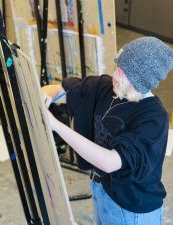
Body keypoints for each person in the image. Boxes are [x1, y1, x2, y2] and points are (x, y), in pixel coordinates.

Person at [42, 37, 173, 225]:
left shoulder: (153, 119)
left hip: (133, 208)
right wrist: (44, 96)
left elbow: (110, 162)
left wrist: (56, 126)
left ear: (140, 81)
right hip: (102, 188)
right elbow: (57, 90)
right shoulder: (105, 87)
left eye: (124, 74)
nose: (115, 75)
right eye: (117, 67)